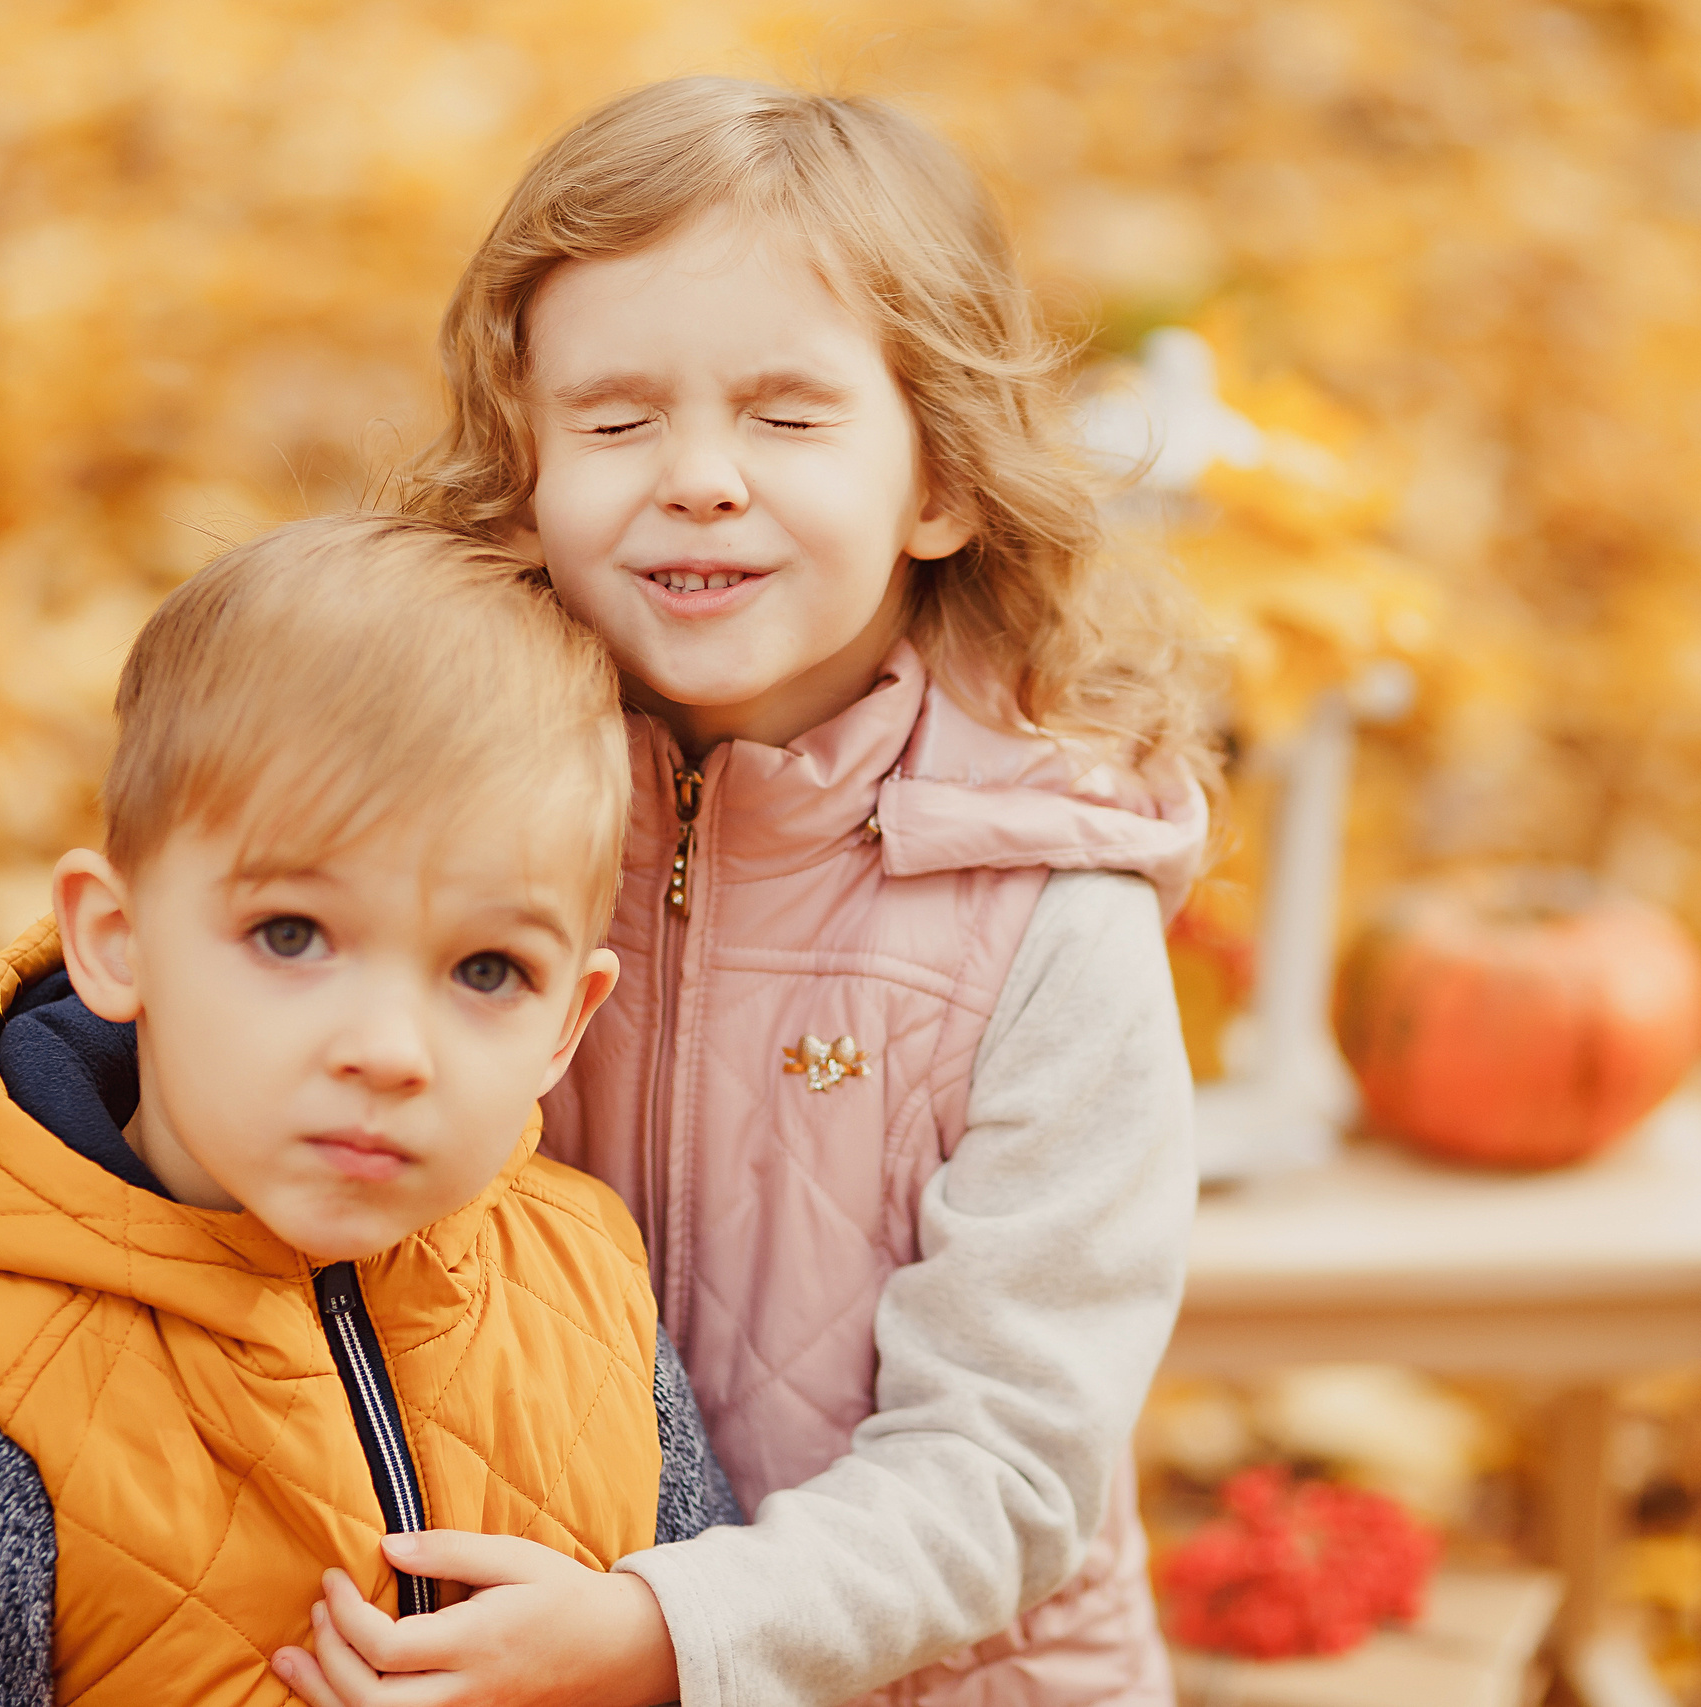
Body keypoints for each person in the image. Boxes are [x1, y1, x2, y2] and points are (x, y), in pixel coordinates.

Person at [281, 78, 1211, 1707]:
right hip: (501, 1639)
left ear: (940, 483)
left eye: (787, 417)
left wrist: (663, 1632)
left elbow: (1009, 1465)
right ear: (525, 466)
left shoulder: (1049, 914)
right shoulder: (449, 821)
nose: (699, 476)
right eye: (617, 420)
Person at [0, 514, 741, 1707]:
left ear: (564, 1025)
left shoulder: (591, 1297)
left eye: (487, 970)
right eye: (292, 935)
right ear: (118, 940)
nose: (388, 1051)